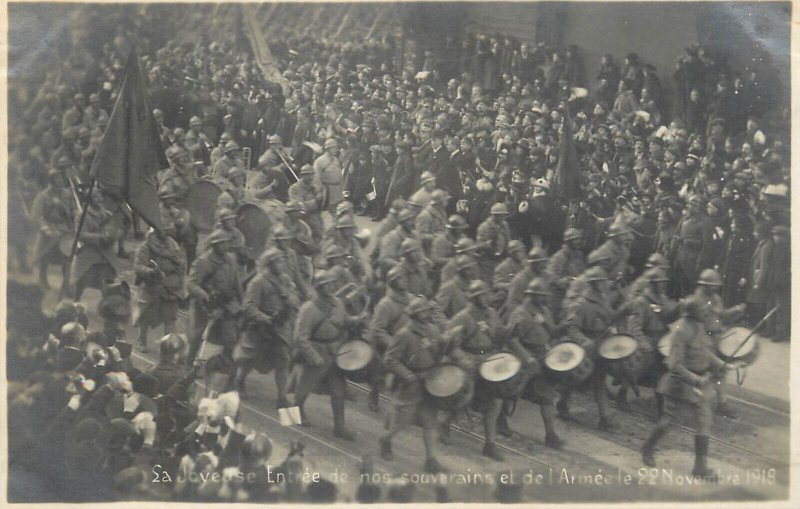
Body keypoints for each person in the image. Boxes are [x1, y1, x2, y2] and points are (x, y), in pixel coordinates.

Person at [641, 296, 730, 481]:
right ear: (693, 312)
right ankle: (648, 447)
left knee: (704, 420)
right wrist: (694, 378)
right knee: (669, 421)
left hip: (701, 382)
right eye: (702, 310)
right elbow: (674, 364)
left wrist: (720, 364)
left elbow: (705, 352)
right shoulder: (681, 331)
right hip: (679, 385)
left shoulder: (699, 326)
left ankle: (700, 467)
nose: (706, 312)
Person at [381, 297, 460, 474]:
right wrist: (407, 376)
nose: (426, 314)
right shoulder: (404, 334)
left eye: (427, 311)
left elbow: (441, 348)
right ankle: (386, 439)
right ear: (415, 314)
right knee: (402, 420)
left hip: (430, 381)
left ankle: (431, 460)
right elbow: (389, 359)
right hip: (412, 383)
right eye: (423, 311)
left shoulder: (432, 329)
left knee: (430, 422)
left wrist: (451, 340)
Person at [292, 269, 365, 439]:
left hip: (336, 353)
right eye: (326, 285)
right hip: (317, 351)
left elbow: (344, 321)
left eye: (332, 284)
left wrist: (356, 320)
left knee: (338, 391)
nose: (331, 287)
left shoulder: (338, 303)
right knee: (304, 388)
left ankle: (339, 427)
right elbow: (300, 338)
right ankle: (290, 420)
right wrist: (313, 357)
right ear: (318, 288)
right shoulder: (308, 309)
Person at [446, 280, 512, 460]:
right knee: (465, 397)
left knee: (495, 401)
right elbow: (452, 346)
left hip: (489, 359)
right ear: (474, 298)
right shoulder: (463, 317)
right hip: (470, 359)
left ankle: (489, 444)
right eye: (481, 295)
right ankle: (445, 424)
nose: (485, 298)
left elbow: (497, 335)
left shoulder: (491, 313)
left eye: (487, 294)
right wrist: (464, 360)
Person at [559, 266, 629, 431]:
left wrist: (622, 312)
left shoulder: (603, 300)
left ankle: (605, 417)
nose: (606, 284)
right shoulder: (580, 305)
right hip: (586, 347)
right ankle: (562, 403)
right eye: (602, 281)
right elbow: (572, 328)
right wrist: (584, 340)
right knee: (575, 379)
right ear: (595, 284)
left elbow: (610, 318)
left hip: (601, 344)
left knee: (599, 379)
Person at [233, 248, 300, 404]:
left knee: (283, 360)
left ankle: (282, 397)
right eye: (279, 261)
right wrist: (265, 318)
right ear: (270, 263)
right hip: (259, 327)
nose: (282, 264)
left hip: (279, 327)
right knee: (249, 359)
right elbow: (248, 306)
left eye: (283, 261)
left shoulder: (285, 280)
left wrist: (289, 297)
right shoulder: (258, 282)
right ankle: (239, 381)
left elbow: (296, 301)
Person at [505, 279, 564, 448]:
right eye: (541, 296)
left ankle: (551, 434)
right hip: (523, 356)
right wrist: (527, 357)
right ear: (532, 296)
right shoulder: (520, 313)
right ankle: (501, 420)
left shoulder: (544, 311)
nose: (544, 299)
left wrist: (567, 324)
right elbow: (512, 340)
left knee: (547, 397)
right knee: (510, 393)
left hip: (542, 356)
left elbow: (553, 331)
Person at [617, 267, 678, 410]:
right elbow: (634, 326)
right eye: (659, 282)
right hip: (647, 338)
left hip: (661, 338)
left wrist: (677, 310)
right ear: (651, 283)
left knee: (663, 371)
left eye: (664, 282)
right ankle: (622, 393)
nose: (663, 285)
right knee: (636, 368)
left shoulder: (662, 299)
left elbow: (668, 317)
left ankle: (661, 403)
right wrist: (643, 343)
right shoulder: (641, 301)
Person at [185, 230, 243, 366]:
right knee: (197, 336)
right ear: (214, 245)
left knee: (231, 336)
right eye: (222, 244)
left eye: (227, 243)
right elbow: (190, 284)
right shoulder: (203, 262)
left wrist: (244, 303)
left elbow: (237, 283)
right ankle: (188, 365)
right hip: (204, 304)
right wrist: (204, 295)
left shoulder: (231, 259)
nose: (226, 246)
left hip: (226, 303)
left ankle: (223, 365)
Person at [133, 225, 187, 352]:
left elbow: (181, 266)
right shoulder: (145, 246)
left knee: (170, 318)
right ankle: (141, 339)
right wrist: (151, 272)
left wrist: (178, 265)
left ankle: (168, 347)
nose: (165, 231)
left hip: (170, 287)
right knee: (144, 315)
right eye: (162, 228)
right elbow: (138, 267)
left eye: (167, 228)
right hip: (151, 285)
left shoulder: (174, 246)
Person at [365, 266, 411, 412]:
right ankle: (373, 395)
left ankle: (397, 404)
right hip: (385, 345)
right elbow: (377, 329)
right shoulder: (386, 304)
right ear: (393, 282)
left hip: (403, 342)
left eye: (404, 278)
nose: (404, 281)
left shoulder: (410, 299)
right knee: (380, 374)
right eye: (400, 279)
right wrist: (393, 344)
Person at [70, 187, 121, 300]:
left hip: (106, 255)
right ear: (89, 199)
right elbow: (80, 235)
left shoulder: (107, 214)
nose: (100, 199)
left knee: (107, 283)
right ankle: (76, 302)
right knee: (82, 282)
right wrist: (100, 237)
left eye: (100, 196)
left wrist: (112, 235)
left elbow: (114, 230)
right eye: (96, 197)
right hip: (89, 254)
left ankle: (106, 308)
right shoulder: (82, 215)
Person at [32, 169, 75, 291]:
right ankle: (42, 277)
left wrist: (71, 214)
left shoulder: (67, 194)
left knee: (68, 256)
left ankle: (66, 284)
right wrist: (45, 228)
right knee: (45, 255)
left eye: (61, 179)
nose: (60, 181)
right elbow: (37, 215)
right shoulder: (43, 196)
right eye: (57, 179)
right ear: (51, 181)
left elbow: (73, 211)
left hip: (65, 229)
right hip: (50, 228)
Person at [670, 195, 715, 296]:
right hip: (680, 256)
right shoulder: (685, 218)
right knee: (679, 285)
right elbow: (677, 233)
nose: (688, 206)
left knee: (691, 288)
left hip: (693, 260)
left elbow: (707, 246)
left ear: (697, 207)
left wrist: (700, 263)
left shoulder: (706, 222)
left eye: (690, 204)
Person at [288, 164, 324, 243]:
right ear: (302, 175)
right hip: (302, 221)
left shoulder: (316, 187)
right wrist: (315, 201)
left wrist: (321, 198)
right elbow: (298, 207)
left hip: (317, 221)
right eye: (307, 175)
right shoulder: (294, 188)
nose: (310, 177)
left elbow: (322, 207)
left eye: (312, 174)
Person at [476, 202, 512, 282]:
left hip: (501, 258)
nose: (504, 217)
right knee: (489, 282)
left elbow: (508, 239)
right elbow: (478, 245)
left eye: (504, 215)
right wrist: (487, 244)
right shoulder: (484, 227)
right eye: (501, 215)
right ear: (495, 215)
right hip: (487, 260)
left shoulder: (504, 225)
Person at [313, 138, 344, 214]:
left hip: (337, 191)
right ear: (327, 149)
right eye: (333, 147)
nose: (336, 149)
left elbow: (340, 176)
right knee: (325, 214)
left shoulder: (336, 160)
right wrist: (319, 191)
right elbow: (316, 178)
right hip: (326, 191)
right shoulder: (319, 161)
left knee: (338, 213)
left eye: (336, 147)